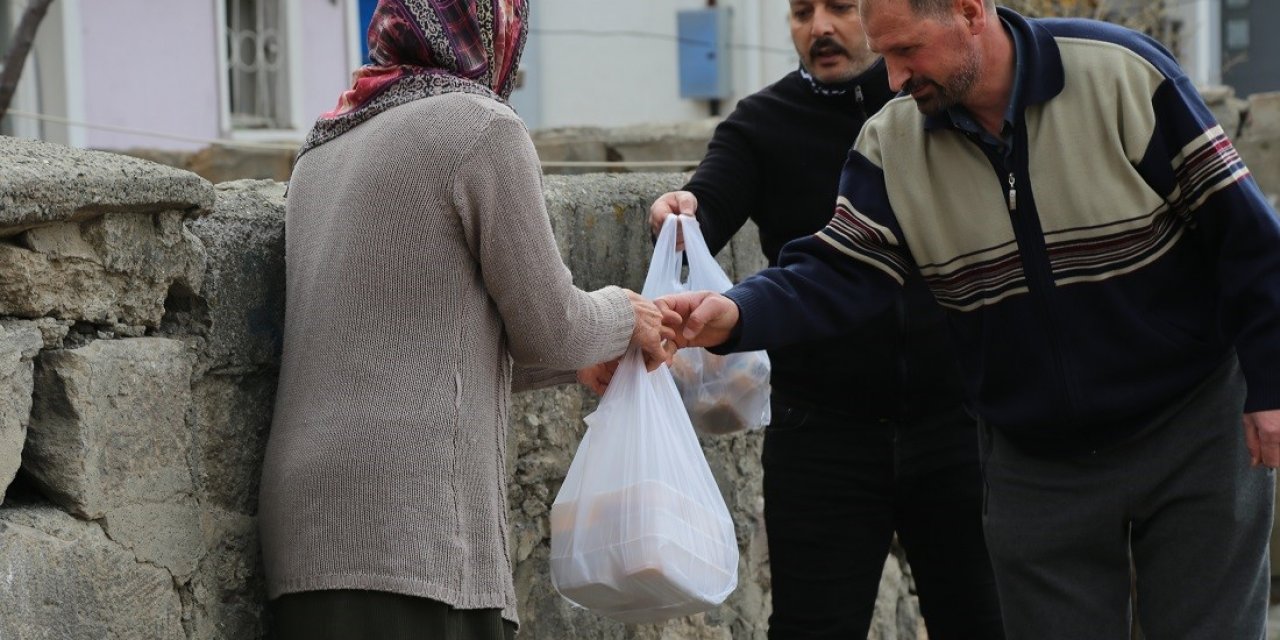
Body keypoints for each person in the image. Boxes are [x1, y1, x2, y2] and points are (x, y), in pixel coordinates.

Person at [658, 0, 1280, 637]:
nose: (894, 78)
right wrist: (735, 312)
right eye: (886, 53)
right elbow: (840, 269)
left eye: (907, 52)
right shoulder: (891, 141)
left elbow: (1247, 236)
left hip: (1192, 427)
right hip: (1036, 460)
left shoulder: (1123, 75)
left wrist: (1270, 384)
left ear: (969, 11)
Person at [257, 2, 675, 638]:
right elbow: (552, 326)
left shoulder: (324, 147)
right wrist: (627, 312)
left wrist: (577, 362)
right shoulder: (481, 126)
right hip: (411, 523)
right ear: (497, 26)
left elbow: (420, 341)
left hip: (306, 526)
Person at [647, 1, 1002, 637]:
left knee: (984, 622)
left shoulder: (940, 100)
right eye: (801, 11)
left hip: (960, 424)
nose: (820, 28)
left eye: (840, 7)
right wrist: (683, 212)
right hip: (822, 433)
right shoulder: (762, 122)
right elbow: (710, 201)